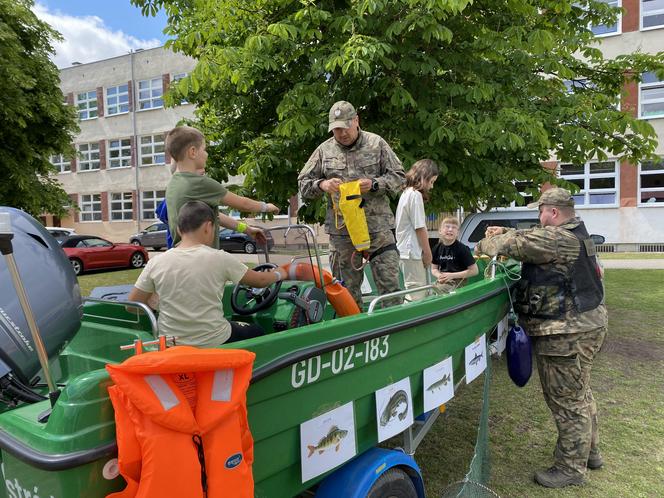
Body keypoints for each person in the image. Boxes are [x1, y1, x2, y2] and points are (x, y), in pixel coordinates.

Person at [475, 187, 607, 488]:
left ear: (554, 212)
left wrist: (488, 241)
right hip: (587, 324)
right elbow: (532, 236)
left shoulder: (558, 238)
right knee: (580, 392)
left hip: (566, 332)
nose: (539, 217)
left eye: (541, 212)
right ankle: (590, 452)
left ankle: (571, 469)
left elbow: (516, 244)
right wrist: (505, 229)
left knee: (566, 400)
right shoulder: (576, 233)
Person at [127, 201, 289, 347]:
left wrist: (156, 303)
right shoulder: (220, 258)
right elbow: (260, 280)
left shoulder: (157, 262)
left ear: (178, 228)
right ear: (208, 227)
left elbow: (133, 307)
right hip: (214, 339)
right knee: (257, 332)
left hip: (171, 343)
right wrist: (282, 272)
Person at [298, 101, 406, 309]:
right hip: (342, 233)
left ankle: (394, 334)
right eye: (336, 129)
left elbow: (400, 177)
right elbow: (303, 184)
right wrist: (322, 184)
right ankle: (354, 335)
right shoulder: (324, 150)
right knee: (346, 293)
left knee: (390, 289)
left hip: (377, 230)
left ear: (356, 121)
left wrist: (375, 184)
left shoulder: (377, 144)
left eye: (345, 127)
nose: (341, 133)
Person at [165, 125, 280, 249]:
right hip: (202, 257)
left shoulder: (173, 184)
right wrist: (266, 206)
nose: (206, 154)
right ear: (193, 152)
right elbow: (243, 204)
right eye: (204, 149)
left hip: (183, 254)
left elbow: (217, 217)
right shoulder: (199, 183)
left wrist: (246, 229)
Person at [394, 159, 439, 301]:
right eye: (431, 182)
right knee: (417, 294)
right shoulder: (415, 195)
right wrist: (428, 253)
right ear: (423, 176)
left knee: (414, 291)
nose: (431, 187)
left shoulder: (406, 193)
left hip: (405, 250)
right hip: (412, 250)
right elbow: (420, 228)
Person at [431, 217, 479, 293]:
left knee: (437, 292)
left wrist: (452, 276)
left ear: (457, 233)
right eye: (447, 227)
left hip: (457, 282)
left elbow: (474, 271)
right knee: (426, 292)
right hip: (442, 281)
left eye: (454, 228)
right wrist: (439, 276)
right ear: (440, 231)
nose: (450, 229)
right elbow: (434, 269)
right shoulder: (436, 248)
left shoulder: (462, 249)